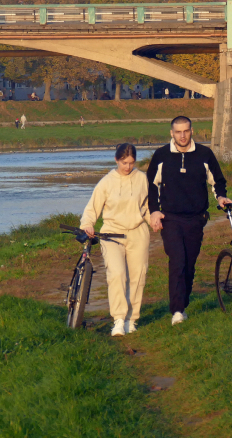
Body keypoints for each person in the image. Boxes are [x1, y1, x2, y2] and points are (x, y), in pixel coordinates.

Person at [147, 116, 232, 326]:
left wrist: (221, 197)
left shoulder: (205, 154)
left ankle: (182, 304)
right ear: (171, 133)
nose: (182, 136)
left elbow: (217, 181)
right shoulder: (161, 156)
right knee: (177, 260)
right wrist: (154, 212)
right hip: (171, 218)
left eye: (186, 131)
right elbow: (150, 186)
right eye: (178, 132)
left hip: (196, 218)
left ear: (192, 131)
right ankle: (176, 311)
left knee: (189, 263)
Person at [80, 143, 152, 337]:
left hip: (138, 233)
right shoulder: (106, 182)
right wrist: (88, 224)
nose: (127, 167)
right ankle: (119, 320)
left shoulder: (142, 179)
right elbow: (92, 208)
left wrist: (154, 218)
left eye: (131, 163)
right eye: (123, 162)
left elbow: (148, 207)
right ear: (116, 160)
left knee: (138, 276)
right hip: (111, 234)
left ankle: (132, 319)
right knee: (117, 274)